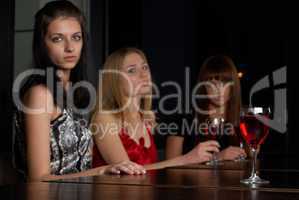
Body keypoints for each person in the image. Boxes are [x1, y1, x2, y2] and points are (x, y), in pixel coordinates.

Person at [13, 0, 145, 182]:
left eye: (76, 37)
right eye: (57, 38)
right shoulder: (40, 94)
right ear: (42, 44)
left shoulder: (79, 90)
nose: (70, 47)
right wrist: (101, 171)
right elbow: (39, 179)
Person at [91, 47, 220, 170]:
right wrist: (185, 159)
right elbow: (127, 172)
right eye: (132, 70)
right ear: (115, 80)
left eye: (145, 67)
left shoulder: (146, 119)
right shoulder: (104, 117)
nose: (144, 74)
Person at [165, 55, 246, 161]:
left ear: (233, 86)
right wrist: (216, 157)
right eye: (211, 84)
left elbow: (252, 158)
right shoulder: (185, 116)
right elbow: (170, 165)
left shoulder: (244, 119)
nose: (218, 90)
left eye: (224, 83)